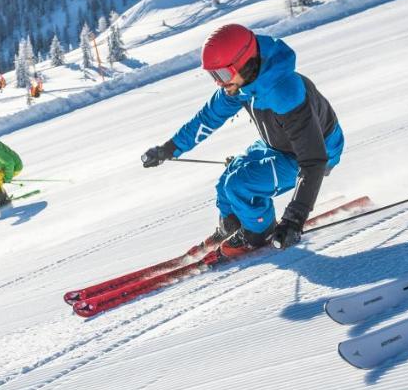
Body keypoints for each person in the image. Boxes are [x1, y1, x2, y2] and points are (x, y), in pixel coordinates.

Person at [140, 23, 344, 257]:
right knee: (227, 180)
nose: (219, 82)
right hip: (278, 145)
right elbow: (209, 117)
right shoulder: (241, 84)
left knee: (240, 185)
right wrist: (170, 148)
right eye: (213, 75)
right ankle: (235, 223)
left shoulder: (284, 91)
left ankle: (258, 233)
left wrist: (293, 221)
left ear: (244, 63)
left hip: (315, 152)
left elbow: (313, 160)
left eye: (222, 74)